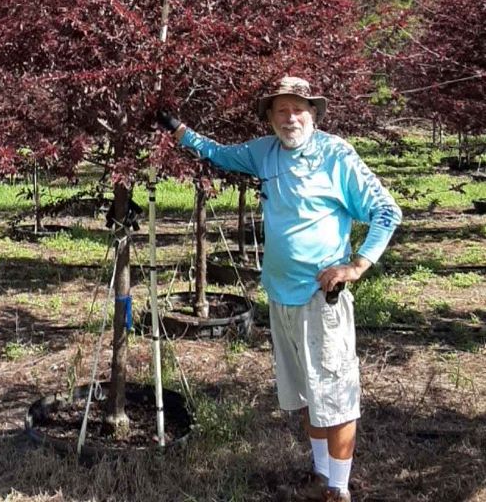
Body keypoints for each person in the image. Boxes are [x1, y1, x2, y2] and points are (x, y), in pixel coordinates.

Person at [157, 75, 401, 502]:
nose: (291, 118)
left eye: (299, 109)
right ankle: (322, 474)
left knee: (336, 394)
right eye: (282, 110)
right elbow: (218, 153)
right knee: (308, 393)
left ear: (314, 114)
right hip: (280, 296)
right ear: (270, 118)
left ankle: (339, 491)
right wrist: (178, 130)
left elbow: (386, 210)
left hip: (319, 299)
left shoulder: (335, 155)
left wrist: (358, 264)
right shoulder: (263, 153)